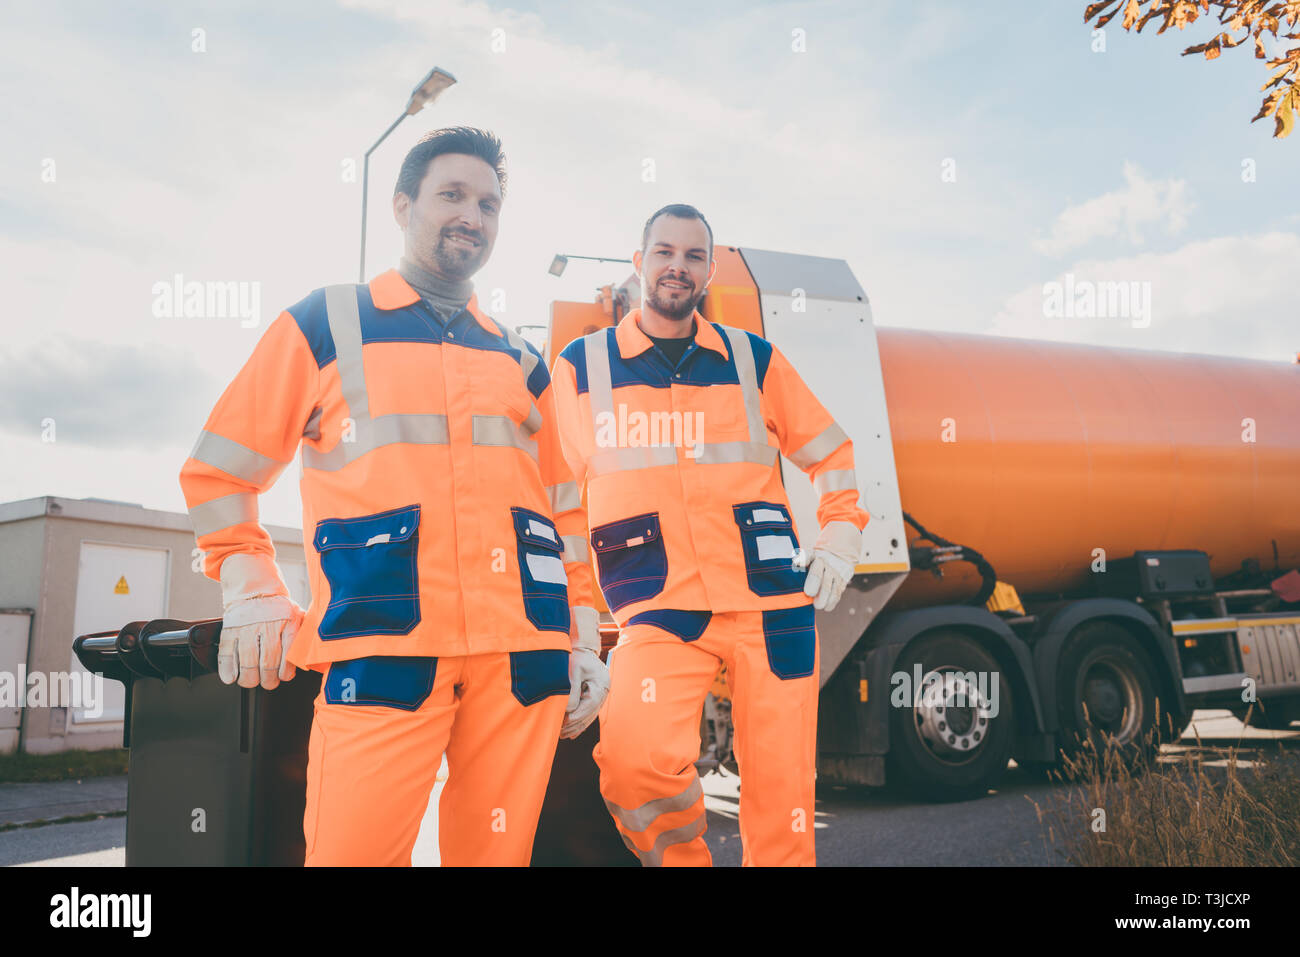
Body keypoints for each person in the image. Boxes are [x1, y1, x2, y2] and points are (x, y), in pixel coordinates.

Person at [178, 127, 608, 866]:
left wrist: (586, 630)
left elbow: (568, 508)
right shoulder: (326, 323)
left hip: (523, 657)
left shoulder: (523, 359)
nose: (473, 214)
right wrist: (249, 585)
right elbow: (222, 470)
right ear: (403, 205)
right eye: (453, 194)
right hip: (383, 645)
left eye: (489, 203)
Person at [549, 204, 868, 866]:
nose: (677, 265)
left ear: (710, 271)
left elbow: (831, 450)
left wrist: (841, 531)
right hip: (657, 604)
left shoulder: (754, 359)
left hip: (771, 601)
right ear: (638, 264)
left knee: (783, 799)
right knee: (633, 763)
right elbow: (558, 506)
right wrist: (577, 629)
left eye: (694, 255)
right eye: (664, 251)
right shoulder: (583, 368)